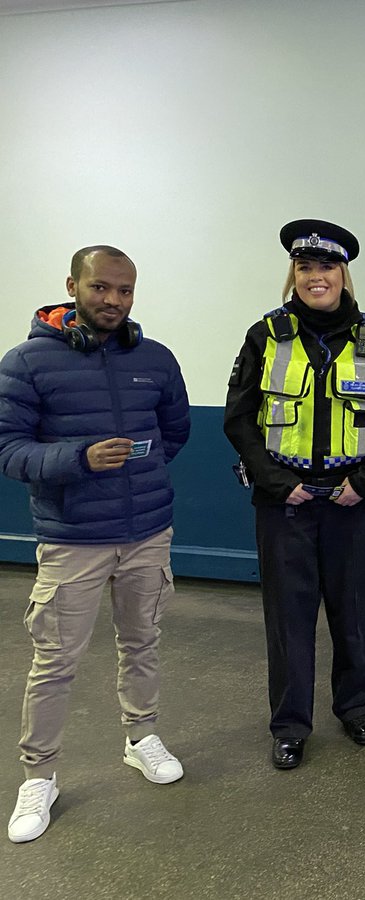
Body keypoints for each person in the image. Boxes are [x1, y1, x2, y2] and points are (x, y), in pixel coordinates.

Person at [0, 246, 191, 843]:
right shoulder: (26, 362)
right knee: (54, 661)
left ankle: (141, 737)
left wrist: (139, 479)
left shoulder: (156, 359)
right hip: (73, 540)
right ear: (72, 287)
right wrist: (77, 460)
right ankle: (39, 775)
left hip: (147, 534)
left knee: (142, 641)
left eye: (125, 290)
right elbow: (7, 449)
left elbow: (174, 433)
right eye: (100, 287)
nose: (113, 300)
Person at [224, 219, 365, 770]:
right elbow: (239, 419)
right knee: (288, 619)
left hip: (355, 500)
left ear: (343, 274)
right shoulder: (265, 335)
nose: (316, 277)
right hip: (285, 502)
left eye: (326, 267)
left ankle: (356, 707)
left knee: (352, 612)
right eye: (305, 267)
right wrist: (278, 483)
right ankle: (290, 725)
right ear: (293, 274)